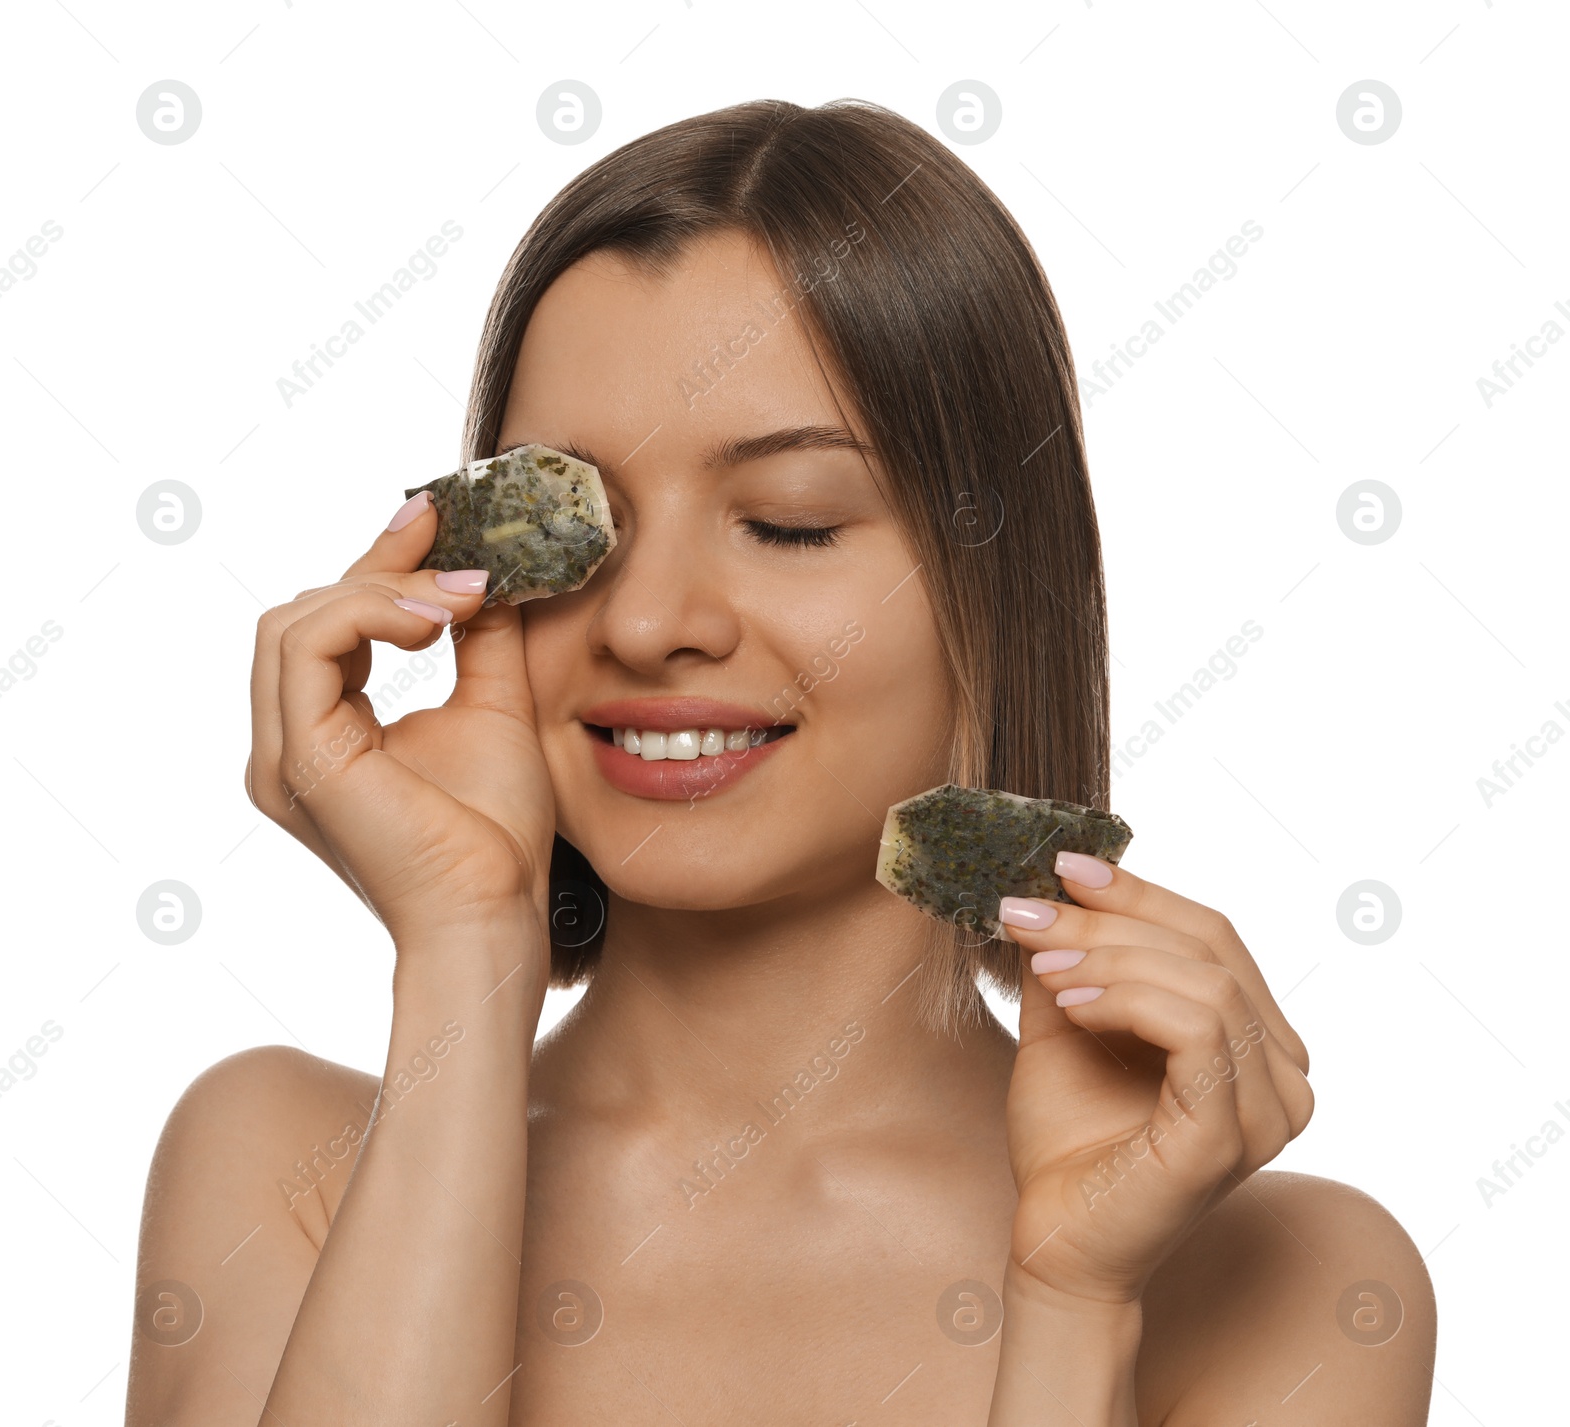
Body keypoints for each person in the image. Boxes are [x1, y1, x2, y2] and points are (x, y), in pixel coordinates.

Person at [125, 98, 1436, 1425]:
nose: (647, 622)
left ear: (997, 589)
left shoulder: (1293, 1283)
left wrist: (1073, 1299)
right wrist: (469, 953)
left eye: (790, 523)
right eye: (573, 527)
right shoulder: (276, 1169)